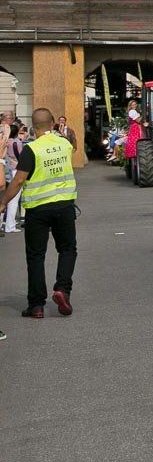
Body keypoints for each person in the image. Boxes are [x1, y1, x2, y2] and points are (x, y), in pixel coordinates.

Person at [0, 108, 79, 318]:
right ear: (53, 123)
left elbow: (18, 180)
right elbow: (69, 153)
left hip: (37, 209)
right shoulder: (64, 144)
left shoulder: (31, 149)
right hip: (64, 206)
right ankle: (62, 289)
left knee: (36, 256)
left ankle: (36, 305)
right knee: (68, 249)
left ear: (33, 128)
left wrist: (3, 203)